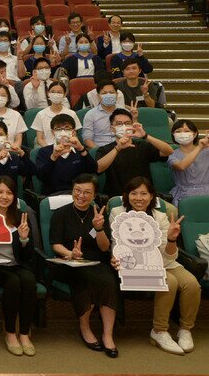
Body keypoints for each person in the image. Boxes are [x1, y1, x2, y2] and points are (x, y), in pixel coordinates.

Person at [109, 177, 198, 356]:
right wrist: (115, 257)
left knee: (192, 284)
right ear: (127, 195)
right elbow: (115, 244)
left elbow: (170, 254)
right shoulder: (117, 212)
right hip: (134, 265)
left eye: (144, 193)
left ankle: (185, 329)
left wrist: (172, 238)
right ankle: (159, 331)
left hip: (165, 262)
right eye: (134, 193)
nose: (139, 198)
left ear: (151, 197)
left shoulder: (161, 216)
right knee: (169, 283)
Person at [49, 174, 119, 358]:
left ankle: (107, 335)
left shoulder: (98, 216)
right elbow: (55, 244)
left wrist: (99, 229)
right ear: (72, 191)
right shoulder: (61, 213)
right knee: (85, 278)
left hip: (96, 260)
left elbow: (105, 248)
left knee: (109, 280)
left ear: (94, 195)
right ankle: (85, 327)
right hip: (69, 262)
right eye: (77, 191)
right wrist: (70, 253)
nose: (81, 195)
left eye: (87, 192)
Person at [0, 176, 37, 356]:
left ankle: (25, 334)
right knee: (13, 281)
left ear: (14, 196)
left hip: (16, 264)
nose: (4, 196)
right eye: (0, 192)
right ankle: (11, 333)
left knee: (28, 280)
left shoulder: (21, 217)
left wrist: (23, 238)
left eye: (9, 192)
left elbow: (28, 256)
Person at [95, 108, 173, 197]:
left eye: (127, 123)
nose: (124, 126)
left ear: (132, 126)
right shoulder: (104, 149)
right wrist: (117, 148)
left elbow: (169, 151)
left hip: (144, 197)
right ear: (112, 128)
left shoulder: (143, 146)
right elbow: (98, 168)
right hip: (117, 197)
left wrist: (145, 136)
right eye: (119, 124)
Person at [34, 114, 97, 196]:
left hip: (79, 195)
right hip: (53, 195)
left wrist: (81, 149)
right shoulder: (44, 151)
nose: (63, 132)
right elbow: (41, 176)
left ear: (73, 132)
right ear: (53, 132)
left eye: (67, 128)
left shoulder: (80, 150)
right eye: (58, 129)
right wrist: (54, 157)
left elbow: (93, 170)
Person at [168, 120, 209, 203]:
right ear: (173, 135)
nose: (183, 134)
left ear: (195, 134)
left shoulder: (207, 151)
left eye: (187, 131)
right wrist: (199, 147)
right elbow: (181, 166)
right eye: (178, 131)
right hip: (183, 195)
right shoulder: (171, 154)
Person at [31, 81, 80, 146]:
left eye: (59, 92)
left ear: (64, 94)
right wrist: (49, 150)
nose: (56, 94)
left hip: (68, 147)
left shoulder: (72, 114)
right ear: (48, 93)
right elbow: (40, 139)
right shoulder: (41, 114)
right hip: (47, 148)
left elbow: (74, 136)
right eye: (53, 92)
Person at [82, 80, 123, 150]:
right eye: (104, 93)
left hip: (122, 147)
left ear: (117, 95)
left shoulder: (124, 111)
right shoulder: (91, 114)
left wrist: (134, 119)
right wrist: (99, 151)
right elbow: (87, 139)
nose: (108, 95)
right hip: (100, 149)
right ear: (98, 96)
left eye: (111, 92)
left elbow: (132, 133)